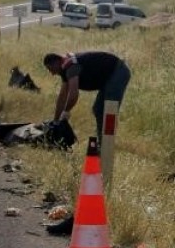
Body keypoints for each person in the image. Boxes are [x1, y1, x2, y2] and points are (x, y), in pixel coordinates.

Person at [41, 50, 132, 235]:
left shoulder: (70, 67)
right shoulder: (65, 70)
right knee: (98, 109)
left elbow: (73, 94)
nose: (51, 73)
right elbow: (63, 95)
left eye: (51, 69)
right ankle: (102, 143)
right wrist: (55, 121)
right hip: (110, 75)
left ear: (57, 62)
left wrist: (66, 114)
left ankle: (105, 146)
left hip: (118, 71)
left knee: (107, 109)